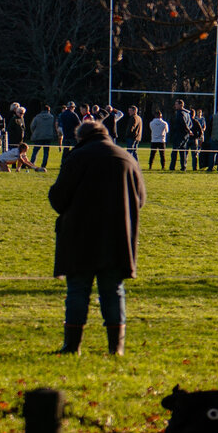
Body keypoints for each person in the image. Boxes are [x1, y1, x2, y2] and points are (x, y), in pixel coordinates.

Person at [46, 119, 146, 356]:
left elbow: (58, 199)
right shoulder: (126, 158)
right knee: (113, 291)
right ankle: (116, 347)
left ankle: (72, 346)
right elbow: (140, 199)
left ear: (81, 137)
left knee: (78, 290)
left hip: (80, 235)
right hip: (117, 236)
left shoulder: (77, 157)